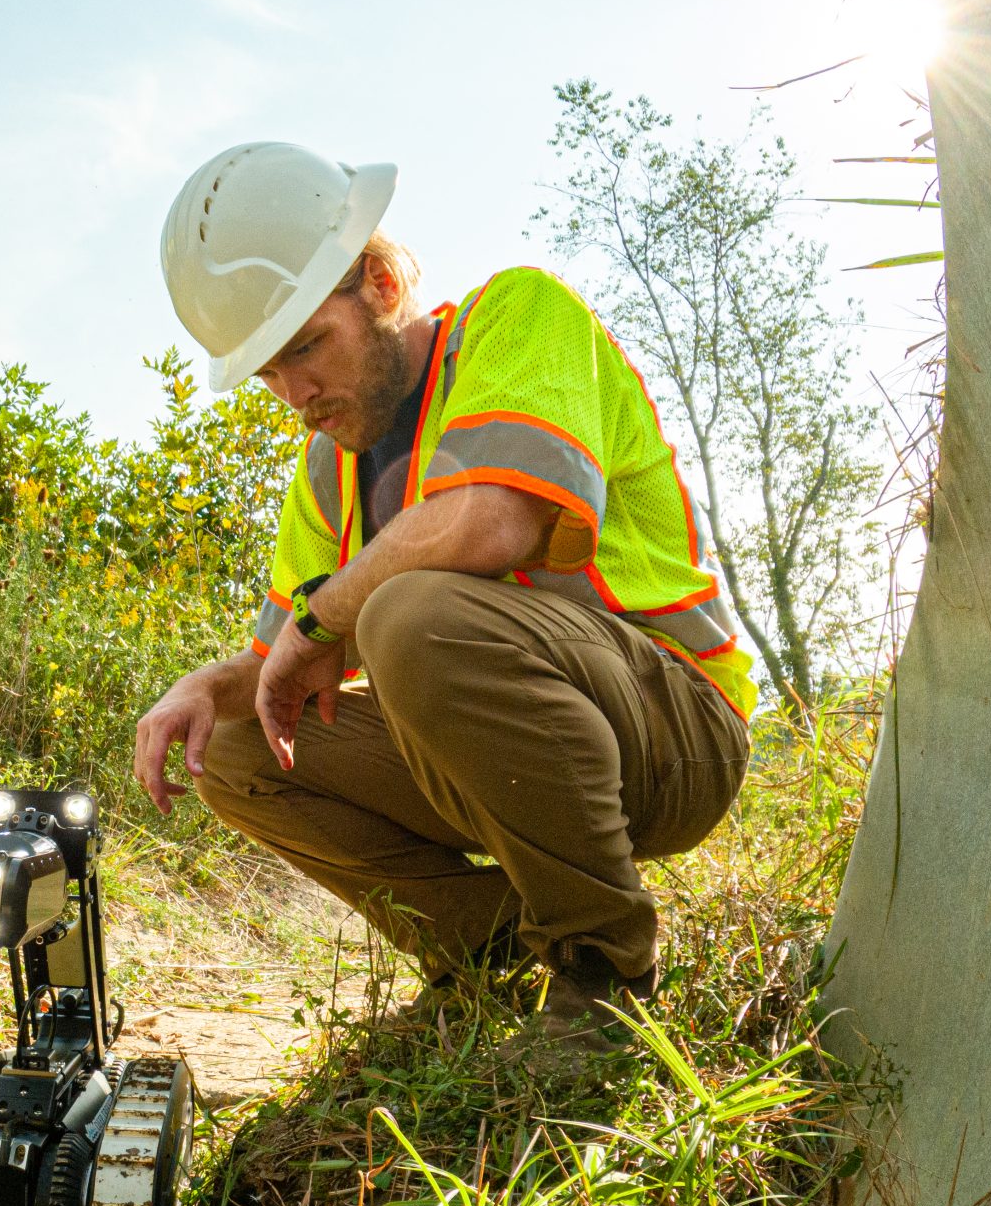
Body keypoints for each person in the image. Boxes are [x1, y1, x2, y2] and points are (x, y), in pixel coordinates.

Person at [131, 143, 754, 1038]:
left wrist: (327, 612)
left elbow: (493, 521)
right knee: (235, 743)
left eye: (307, 346)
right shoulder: (326, 471)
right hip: (505, 752)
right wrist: (204, 688)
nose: (295, 392)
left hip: (673, 731)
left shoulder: (520, 316)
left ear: (381, 282)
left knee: (406, 612)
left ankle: (602, 968)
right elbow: (285, 664)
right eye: (268, 371)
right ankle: (484, 946)